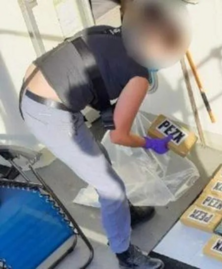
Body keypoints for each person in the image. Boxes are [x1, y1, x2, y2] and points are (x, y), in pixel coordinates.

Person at [20, 2, 190, 269]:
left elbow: (90, 68)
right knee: (111, 187)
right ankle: (125, 256)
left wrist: (107, 107)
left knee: (100, 162)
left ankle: (125, 214)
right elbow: (120, 136)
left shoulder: (110, 31)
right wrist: (150, 142)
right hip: (48, 114)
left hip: (35, 83)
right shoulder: (139, 77)